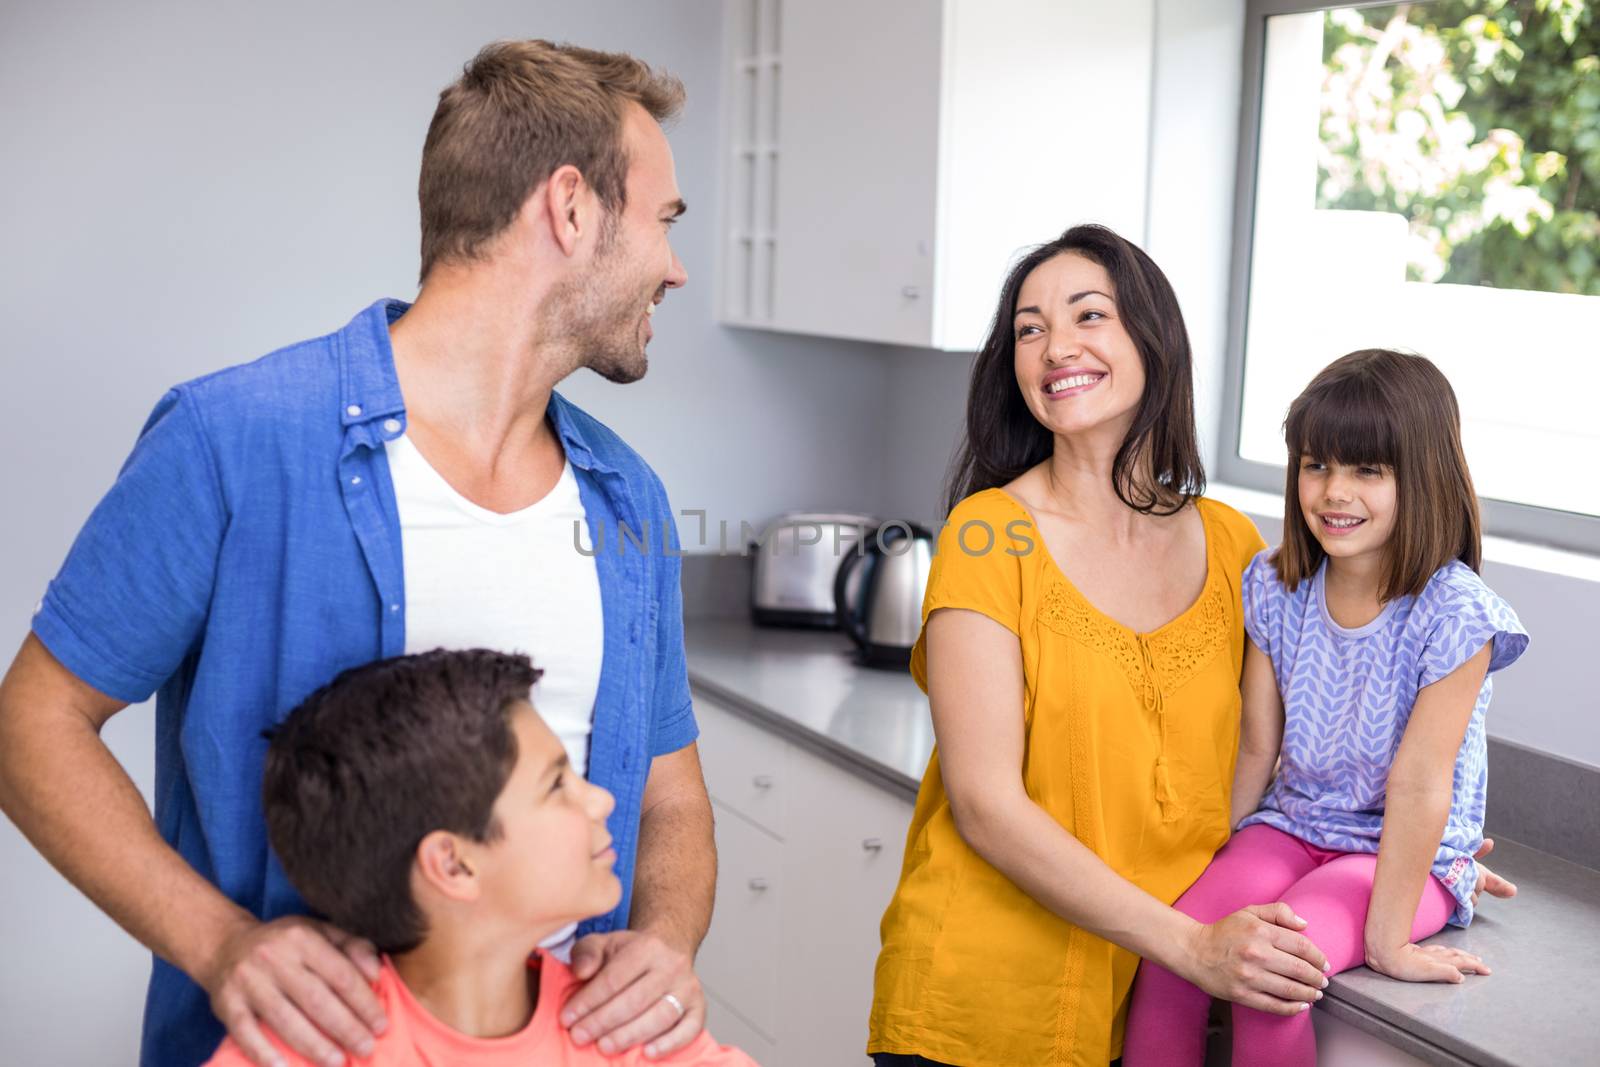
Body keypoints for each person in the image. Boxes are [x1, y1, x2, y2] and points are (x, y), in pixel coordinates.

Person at [0, 40, 714, 1067]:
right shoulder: (234, 441)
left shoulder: (626, 499)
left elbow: (672, 794)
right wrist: (219, 943)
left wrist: (664, 939)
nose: (675, 265)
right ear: (569, 207)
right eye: (665, 220)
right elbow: (34, 720)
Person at [865, 227, 1511, 1067]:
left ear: (1152, 339)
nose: (1055, 344)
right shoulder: (987, 534)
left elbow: (1286, 739)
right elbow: (987, 806)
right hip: (987, 1009)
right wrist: (1192, 946)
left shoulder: (1234, 548)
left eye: (1087, 314)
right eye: (1028, 328)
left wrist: (1424, 854)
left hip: (1149, 1001)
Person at [1121, 349, 1528, 1067]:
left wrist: (1390, 938)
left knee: (1274, 971)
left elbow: (1421, 783)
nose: (1334, 491)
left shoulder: (1456, 614)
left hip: (1397, 853)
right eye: (1316, 465)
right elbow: (1256, 746)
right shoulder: (1276, 586)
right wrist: (1209, 855)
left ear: (1422, 475)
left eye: (1366, 469)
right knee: (1172, 950)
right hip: (1291, 824)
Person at [201, 649, 755, 1067]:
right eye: (556, 785)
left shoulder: (630, 1027)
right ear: (455, 864)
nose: (602, 800)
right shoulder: (300, 1045)